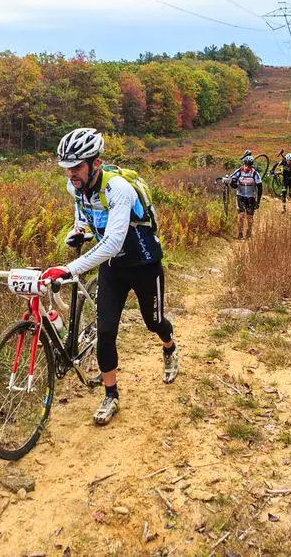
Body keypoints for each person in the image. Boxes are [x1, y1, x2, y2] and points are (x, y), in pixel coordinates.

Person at [41, 127, 178, 426]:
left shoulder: (119, 189)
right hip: (113, 269)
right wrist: (77, 231)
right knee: (105, 331)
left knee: (153, 322)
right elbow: (85, 216)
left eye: (76, 167)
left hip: (144, 264)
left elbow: (114, 242)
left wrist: (69, 269)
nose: (70, 175)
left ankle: (169, 346)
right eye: (66, 168)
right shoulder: (75, 188)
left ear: (96, 163)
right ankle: (110, 394)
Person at [228, 155, 262, 239]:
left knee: (250, 217)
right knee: (241, 215)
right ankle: (240, 234)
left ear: (251, 166)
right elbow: (232, 182)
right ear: (243, 164)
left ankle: (249, 232)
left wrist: (258, 201)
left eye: (249, 166)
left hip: (251, 197)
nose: (247, 167)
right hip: (240, 196)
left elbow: (260, 188)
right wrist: (233, 184)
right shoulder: (238, 171)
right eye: (246, 165)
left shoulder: (255, 173)